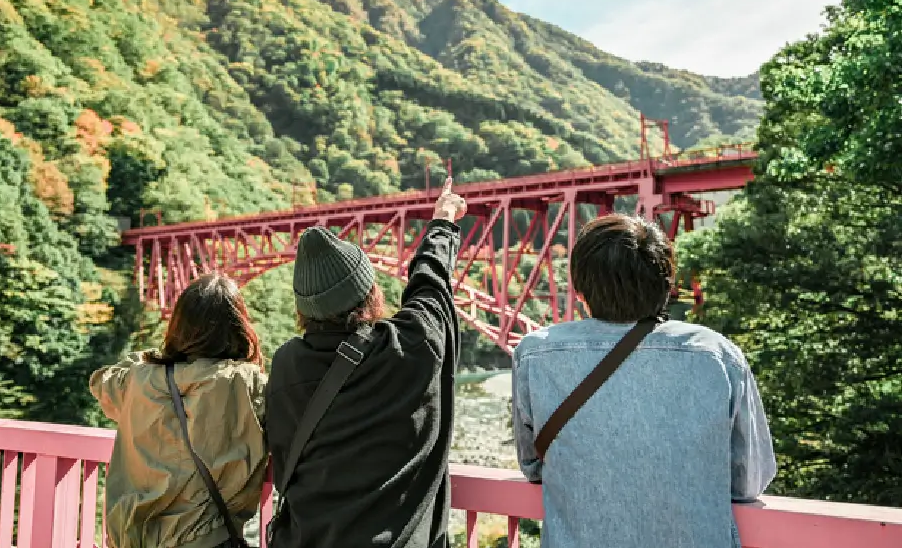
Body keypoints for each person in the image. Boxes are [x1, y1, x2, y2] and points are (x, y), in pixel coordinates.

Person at [512, 213, 776, 548]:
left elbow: (533, 465)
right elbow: (749, 480)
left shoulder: (535, 353)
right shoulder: (716, 354)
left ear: (579, 288)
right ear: (667, 286)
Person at [265, 178, 468, 548]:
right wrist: (442, 222)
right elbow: (431, 286)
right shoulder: (410, 347)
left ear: (304, 309)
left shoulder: (286, 366)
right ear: (370, 293)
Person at [90, 274, 268, 548]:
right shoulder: (248, 384)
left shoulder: (139, 378)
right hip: (209, 540)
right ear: (239, 327)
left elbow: (101, 381)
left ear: (178, 326)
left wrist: (154, 356)